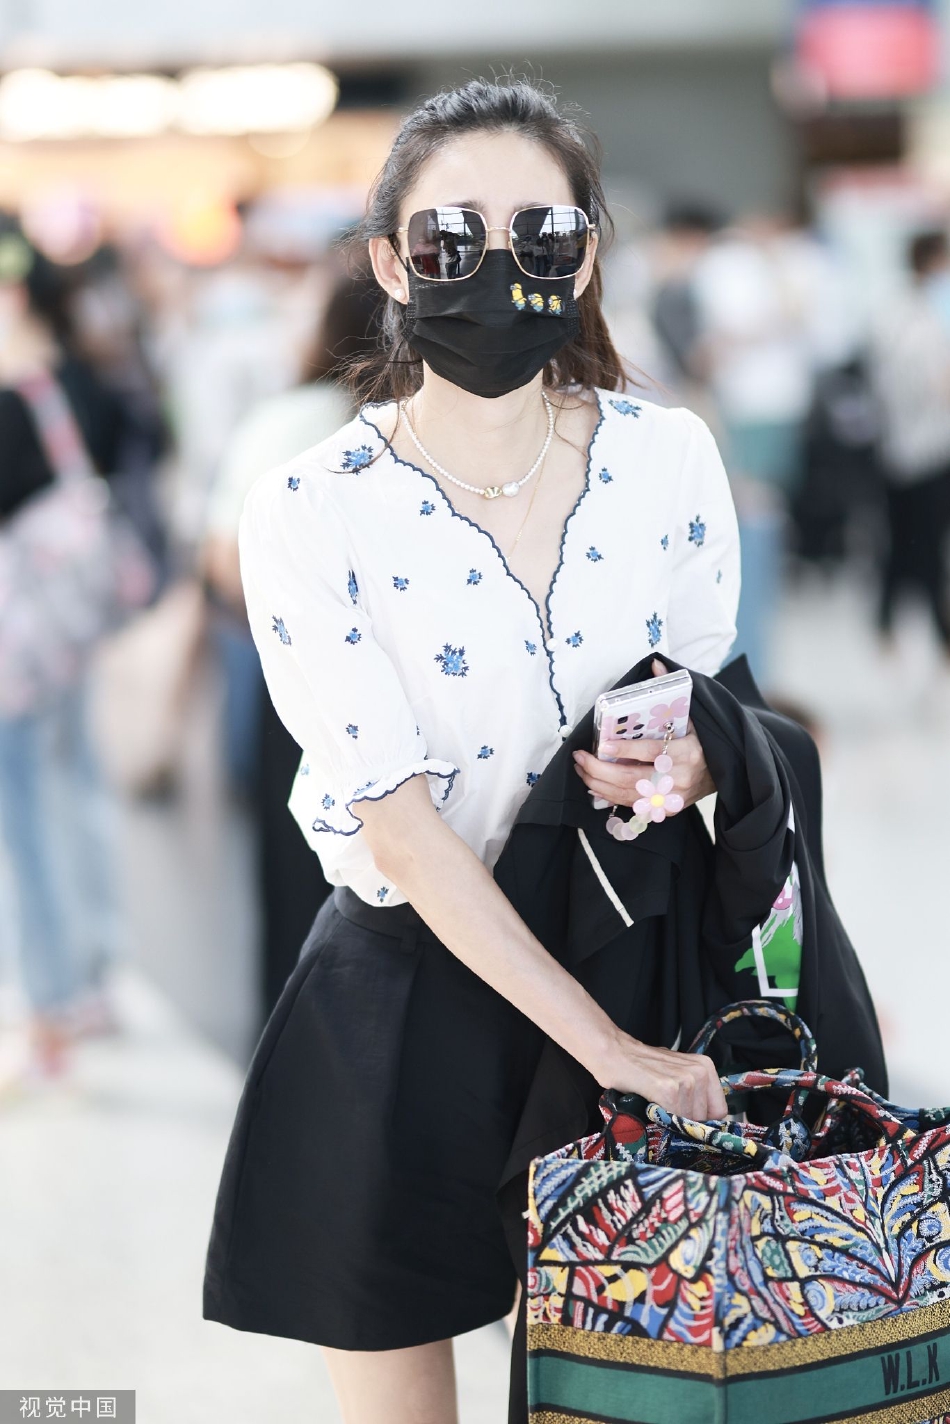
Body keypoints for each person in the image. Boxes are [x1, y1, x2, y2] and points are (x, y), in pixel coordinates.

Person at [202, 80, 741, 1424]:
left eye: (540, 234)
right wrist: (605, 1048)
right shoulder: (311, 506)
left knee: (640, 1394)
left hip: (632, 948)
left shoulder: (667, 458)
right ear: (390, 264)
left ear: (587, 255)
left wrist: (688, 766)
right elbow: (397, 824)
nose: (498, 268)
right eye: (450, 238)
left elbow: (709, 700)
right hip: (409, 988)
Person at [201, 270, 383, 1016]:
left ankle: (289, 1036)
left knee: (294, 871)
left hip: (298, 683)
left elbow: (222, 564)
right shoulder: (439, 432)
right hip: (418, 687)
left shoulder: (289, 421)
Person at [0, 221, 124, 1080]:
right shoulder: (76, 380)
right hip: (67, 628)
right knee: (76, 793)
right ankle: (94, 978)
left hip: (20, 640)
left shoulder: (17, 396)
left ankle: (53, 1004)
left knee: (27, 820)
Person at [870, 228, 950, 662]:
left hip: (914, 445)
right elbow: (922, 383)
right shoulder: (910, 317)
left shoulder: (908, 312)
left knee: (909, 541)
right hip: (918, 449)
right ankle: (932, 632)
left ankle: (892, 624)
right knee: (918, 544)